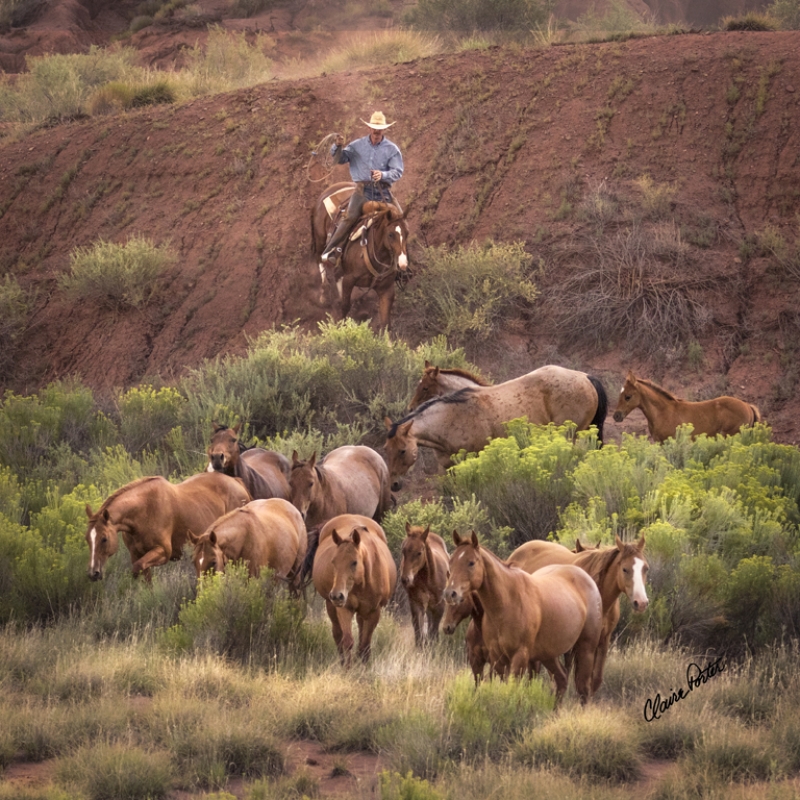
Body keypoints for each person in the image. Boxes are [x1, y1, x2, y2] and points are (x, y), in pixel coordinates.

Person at [320, 111, 404, 267]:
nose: (376, 131)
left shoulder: (392, 149)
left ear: (384, 130)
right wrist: (337, 147)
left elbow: (397, 171)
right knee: (350, 216)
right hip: (362, 191)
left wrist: (383, 174)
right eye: (374, 128)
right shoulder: (356, 145)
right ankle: (331, 251)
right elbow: (340, 159)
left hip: (383, 191)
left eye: (379, 129)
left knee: (400, 219)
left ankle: (404, 261)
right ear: (369, 129)